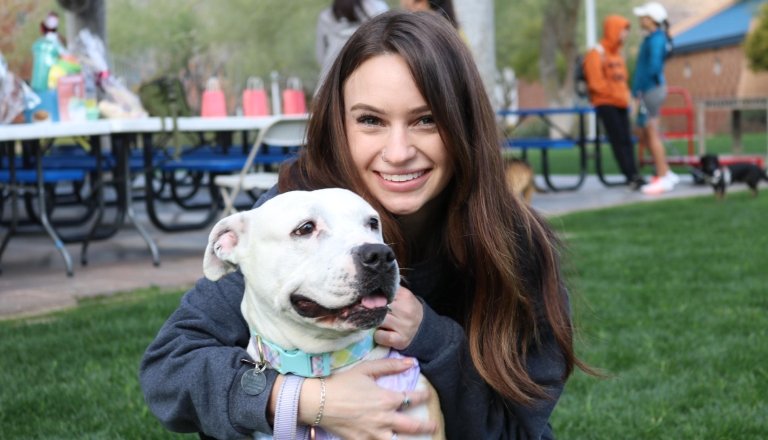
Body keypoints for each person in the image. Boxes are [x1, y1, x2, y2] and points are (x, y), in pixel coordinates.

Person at [141, 11, 589, 439]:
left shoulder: (514, 246)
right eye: (371, 120)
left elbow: (516, 430)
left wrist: (430, 340)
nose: (398, 152)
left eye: (426, 120)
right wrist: (305, 400)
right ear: (340, 124)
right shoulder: (292, 217)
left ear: (464, 123)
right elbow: (170, 368)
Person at [584, 15, 646, 190]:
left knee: (627, 139)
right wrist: (615, 96)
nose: (625, 34)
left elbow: (623, 81)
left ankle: (635, 174)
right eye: (623, 30)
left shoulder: (618, 54)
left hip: (621, 104)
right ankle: (630, 176)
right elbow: (596, 83)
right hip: (606, 104)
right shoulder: (596, 53)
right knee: (618, 140)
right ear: (613, 30)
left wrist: (628, 98)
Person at [631, 1, 678, 195]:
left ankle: (663, 177)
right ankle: (664, 171)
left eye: (645, 17)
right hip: (647, 90)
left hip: (651, 90)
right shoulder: (652, 38)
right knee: (643, 132)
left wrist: (640, 90)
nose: (641, 19)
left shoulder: (657, 39)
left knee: (651, 132)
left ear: (653, 20)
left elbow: (653, 67)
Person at [315, 0, 388, 91]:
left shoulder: (326, 16)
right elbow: (386, 46)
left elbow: (320, 56)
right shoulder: (377, 8)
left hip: (330, 82)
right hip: (368, 79)